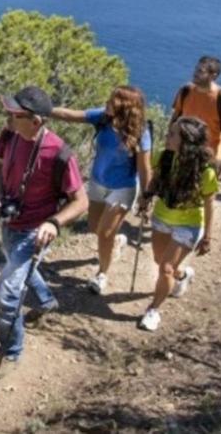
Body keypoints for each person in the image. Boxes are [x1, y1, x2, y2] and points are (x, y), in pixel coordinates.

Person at [0, 86, 88, 380]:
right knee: (20, 267)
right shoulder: (10, 134)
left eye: (15, 114)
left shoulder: (60, 153)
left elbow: (82, 201)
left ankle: (10, 354)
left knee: (7, 293)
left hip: (34, 232)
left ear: (36, 121)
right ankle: (45, 302)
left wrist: (53, 223)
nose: (8, 117)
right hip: (10, 223)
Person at [49, 86, 152, 294]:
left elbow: (144, 167)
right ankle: (117, 241)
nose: (107, 102)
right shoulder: (103, 117)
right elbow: (71, 115)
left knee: (104, 233)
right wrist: (43, 108)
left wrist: (146, 196)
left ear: (124, 106)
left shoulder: (141, 132)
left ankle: (102, 274)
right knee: (95, 227)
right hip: (98, 182)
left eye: (113, 100)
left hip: (123, 187)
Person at [135, 116, 217, 332]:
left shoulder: (205, 171)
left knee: (165, 267)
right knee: (159, 260)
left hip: (188, 225)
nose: (167, 136)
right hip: (162, 218)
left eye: (172, 134)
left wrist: (207, 236)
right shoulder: (165, 157)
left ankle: (153, 310)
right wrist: (146, 197)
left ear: (186, 141)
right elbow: (155, 179)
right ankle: (183, 275)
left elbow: (209, 204)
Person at [169, 56, 221, 181]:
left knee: (202, 191)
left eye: (200, 71)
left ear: (214, 75)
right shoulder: (185, 91)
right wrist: (169, 141)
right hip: (183, 150)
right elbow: (175, 117)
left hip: (209, 155)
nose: (195, 73)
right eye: (196, 69)